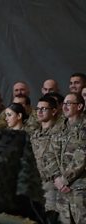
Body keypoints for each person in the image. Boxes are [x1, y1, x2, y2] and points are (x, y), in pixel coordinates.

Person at [46, 93, 86, 223]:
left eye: (69, 103)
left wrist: (64, 180)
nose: (65, 106)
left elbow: (81, 158)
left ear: (79, 106)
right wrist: (56, 178)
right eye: (64, 103)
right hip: (61, 189)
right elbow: (50, 153)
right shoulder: (59, 127)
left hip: (81, 187)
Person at [30, 95, 62, 223]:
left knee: (51, 219)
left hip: (52, 186)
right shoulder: (35, 134)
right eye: (38, 109)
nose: (40, 112)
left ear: (54, 111)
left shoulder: (60, 133)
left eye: (44, 109)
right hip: (36, 185)